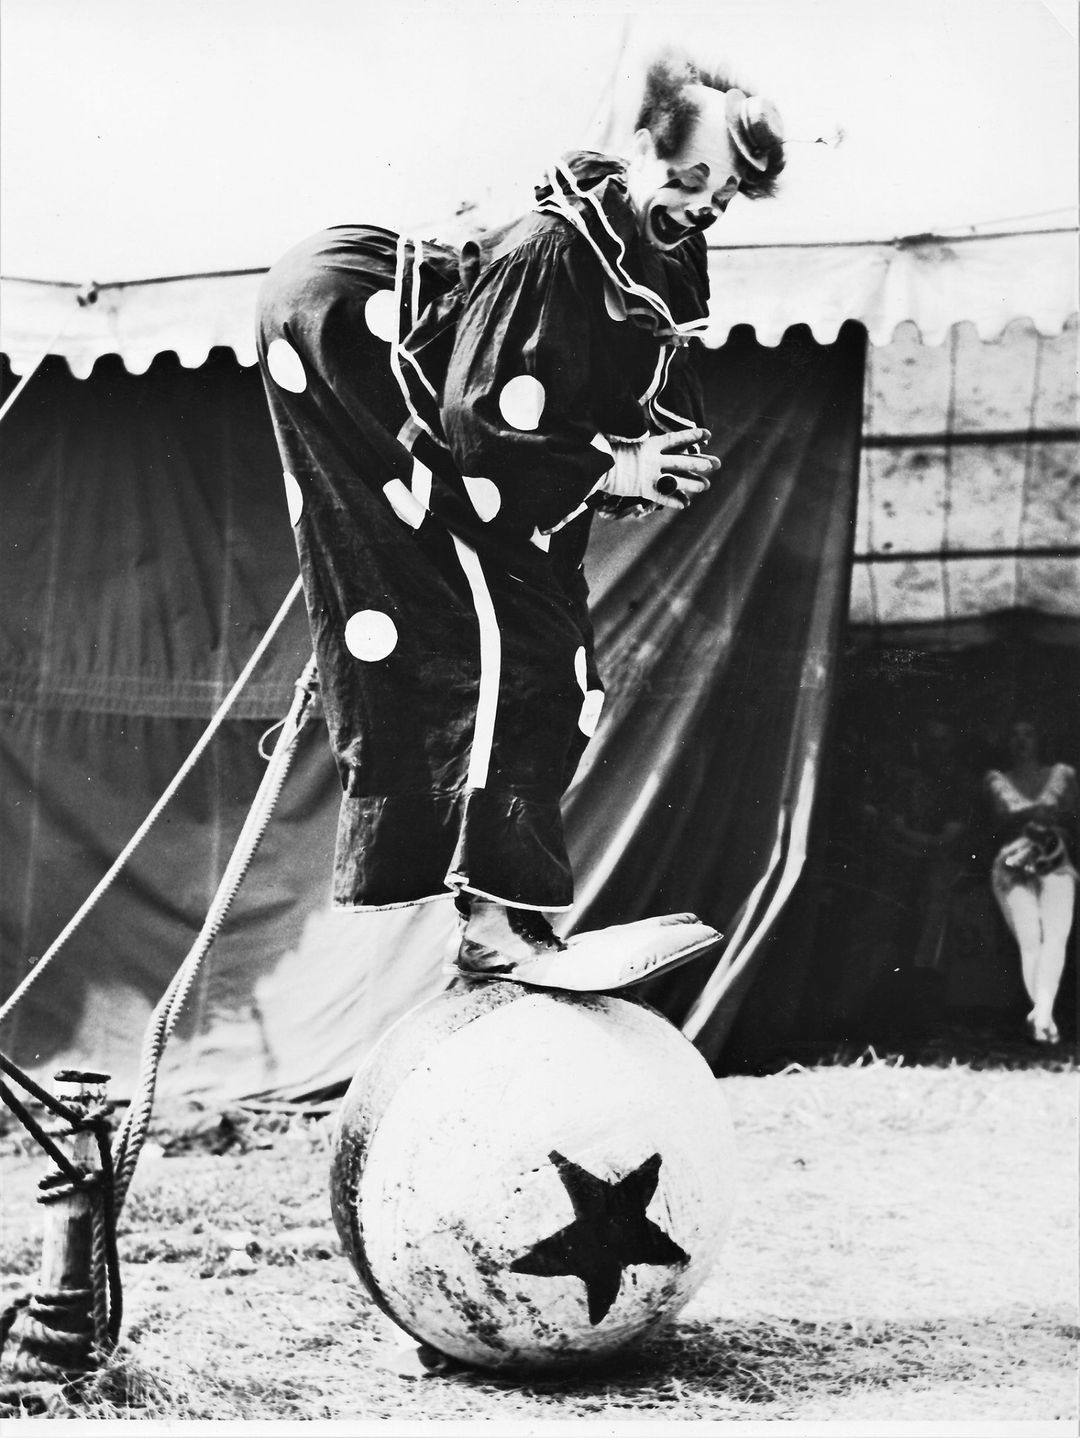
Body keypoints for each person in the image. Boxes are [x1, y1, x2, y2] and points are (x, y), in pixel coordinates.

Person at [256, 52, 786, 988]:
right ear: (641, 147)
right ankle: (492, 922)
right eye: (691, 176)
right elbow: (485, 426)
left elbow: (629, 390)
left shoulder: (657, 252)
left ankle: (506, 909)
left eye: (726, 194)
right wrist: (617, 464)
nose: (704, 205)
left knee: (550, 655)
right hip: (345, 330)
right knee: (509, 642)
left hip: (449, 402)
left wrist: (638, 461)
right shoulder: (553, 248)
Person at [984, 719, 1078, 1045]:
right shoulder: (996, 781)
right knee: (1030, 939)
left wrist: (1051, 830)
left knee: (1056, 937)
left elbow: (1074, 823)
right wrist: (1030, 820)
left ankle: (1042, 1015)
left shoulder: (1063, 775)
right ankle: (1043, 1016)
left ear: (1040, 739)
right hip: (1013, 864)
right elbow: (996, 826)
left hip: (1055, 860)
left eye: (1028, 734)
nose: (1021, 741)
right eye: (1014, 735)